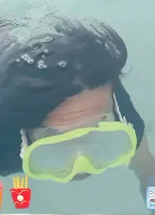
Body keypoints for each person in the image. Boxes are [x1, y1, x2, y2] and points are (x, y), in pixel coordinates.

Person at [0, 18, 154, 202]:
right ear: (25, 136)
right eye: (52, 135)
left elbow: (147, 170)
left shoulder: (121, 117)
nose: (81, 162)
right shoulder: (5, 151)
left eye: (98, 126)